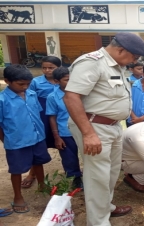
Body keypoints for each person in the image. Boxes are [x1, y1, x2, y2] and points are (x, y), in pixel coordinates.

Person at [64, 32, 144, 225]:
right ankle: (98, 222)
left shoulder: (117, 65)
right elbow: (71, 97)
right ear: (120, 50)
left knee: (110, 173)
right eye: (134, 57)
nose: (134, 62)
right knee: (97, 176)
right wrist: (88, 133)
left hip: (112, 126)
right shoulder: (92, 62)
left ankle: (105, 208)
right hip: (94, 127)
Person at [0, 65, 51, 213]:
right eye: (20, 84)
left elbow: (36, 114)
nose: (25, 87)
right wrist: (7, 140)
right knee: (17, 169)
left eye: (27, 83)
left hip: (37, 137)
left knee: (38, 162)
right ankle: (17, 197)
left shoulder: (32, 94)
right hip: (17, 141)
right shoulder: (2, 100)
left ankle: (42, 184)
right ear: (7, 81)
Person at [22, 56, 61, 189]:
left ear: (58, 68)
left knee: (64, 141)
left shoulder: (65, 80)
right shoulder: (36, 82)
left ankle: (72, 171)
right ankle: (32, 174)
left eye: (51, 67)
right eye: (44, 67)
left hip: (60, 116)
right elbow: (29, 99)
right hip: (42, 116)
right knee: (39, 144)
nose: (47, 70)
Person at [46, 67, 83, 189]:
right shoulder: (53, 97)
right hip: (65, 132)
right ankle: (76, 178)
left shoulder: (81, 93)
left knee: (88, 155)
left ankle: (90, 176)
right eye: (67, 80)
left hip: (83, 129)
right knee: (69, 158)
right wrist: (57, 137)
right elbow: (52, 117)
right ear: (57, 81)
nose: (71, 82)